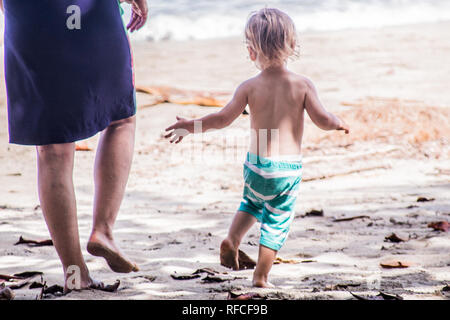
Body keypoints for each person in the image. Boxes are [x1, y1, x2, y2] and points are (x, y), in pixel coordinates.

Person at [165, 8, 350, 288]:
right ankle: (261, 277)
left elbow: (221, 119)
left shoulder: (248, 87)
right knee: (277, 220)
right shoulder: (302, 85)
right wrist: (337, 123)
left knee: (251, 203)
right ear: (292, 46)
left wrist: (190, 126)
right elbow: (322, 120)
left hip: (255, 165)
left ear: (252, 52)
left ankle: (233, 239)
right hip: (286, 171)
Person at [1, 0, 148, 292]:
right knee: (121, 119)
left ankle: (75, 272)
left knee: (53, 151)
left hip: (30, 16)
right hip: (90, 12)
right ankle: (103, 230)